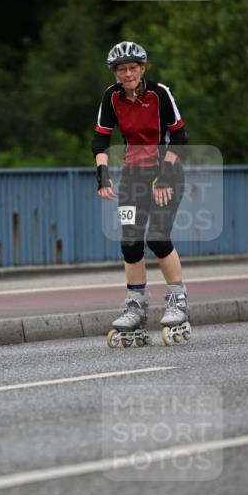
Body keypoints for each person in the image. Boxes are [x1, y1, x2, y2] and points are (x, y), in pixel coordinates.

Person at [91, 41, 190, 346]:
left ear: (143, 68)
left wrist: (164, 175)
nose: (128, 73)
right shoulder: (111, 97)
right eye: (122, 69)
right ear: (116, 72)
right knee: (131, 243)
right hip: (133, 177)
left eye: (133, 67)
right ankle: (136, 307)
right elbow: (100, 141)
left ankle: (178, 300)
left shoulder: (159, 93)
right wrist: (103, 176)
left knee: (158, 238)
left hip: (166, 174)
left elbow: (181, 138)